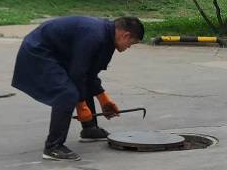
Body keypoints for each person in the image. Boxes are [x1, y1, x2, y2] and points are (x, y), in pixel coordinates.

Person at [11, 15, 145, 161]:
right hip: (38, 51)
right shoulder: (95, 36)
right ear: (125, 35)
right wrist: (81, 106)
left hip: (58, 53)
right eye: (131, 43)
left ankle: (89, 129)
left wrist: (103, 99)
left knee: (80, 84)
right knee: (66, 93)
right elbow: (78, 73)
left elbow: (90, 73)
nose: (129, 47)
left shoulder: (108, 39)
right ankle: (53, 147)